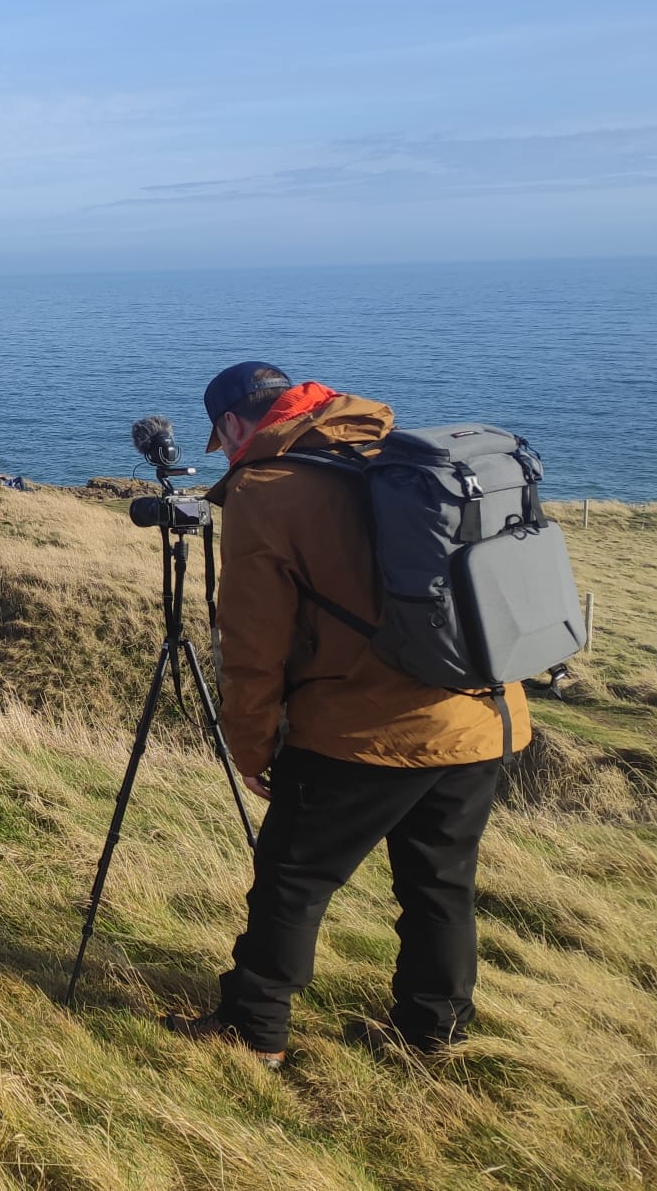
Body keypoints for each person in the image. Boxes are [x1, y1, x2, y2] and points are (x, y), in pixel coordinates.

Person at [160, 362, 531, 1069]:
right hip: (483, 712)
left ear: (234, 425)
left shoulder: (265, 490)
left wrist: (250, 745)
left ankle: (253, 1028)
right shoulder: (395, 455)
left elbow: (252, 645)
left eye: (223, 441)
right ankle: (432, 1035)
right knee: (439, 884)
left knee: (291, 877)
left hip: (367, 729)